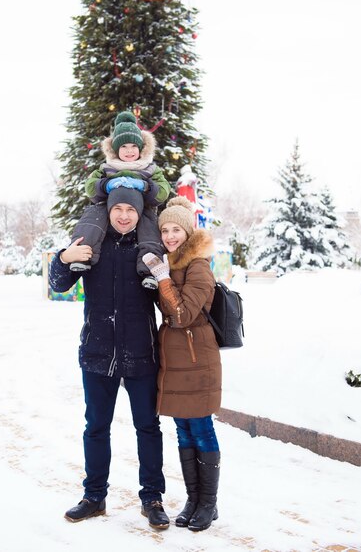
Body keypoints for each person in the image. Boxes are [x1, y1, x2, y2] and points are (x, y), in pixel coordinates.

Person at [49, 186, 170, 530]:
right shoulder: (92, 248)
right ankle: (94, 496)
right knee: (96, 427)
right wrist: (63, 258)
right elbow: (59, 284)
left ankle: (152, 498)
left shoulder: (149, 250)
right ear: (108, 212)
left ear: (138, 214)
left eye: (130, 210)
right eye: (117, 209)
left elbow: (170, 297)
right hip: (97, 353)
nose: (124, 215)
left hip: (142, 354)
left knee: (147, 427)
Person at [142, 196, 222, 532]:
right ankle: (193, 498)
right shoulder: (173, 264)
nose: (170, 235)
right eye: (165, 230)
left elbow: (182, 314)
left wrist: (161, 277)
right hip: (175, 361)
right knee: (183, 431)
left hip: (197, 359)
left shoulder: (198, 265)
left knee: (201, 429)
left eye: (176, 229)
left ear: (188, 232)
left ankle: (209, 503)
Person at [69, 111, 171, 290]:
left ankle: (150, 270)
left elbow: (163, 192)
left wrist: (146, 186)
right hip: (109, 209)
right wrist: (106, 185)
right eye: (123, 146)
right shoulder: (107, 168)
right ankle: (83, 254)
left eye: (133, 146)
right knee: (93, 219)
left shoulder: (150, 169)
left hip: (141, 211)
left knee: (150, 233)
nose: (129, 151)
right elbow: (90, 187)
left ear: (141, 148)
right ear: (115, 149)